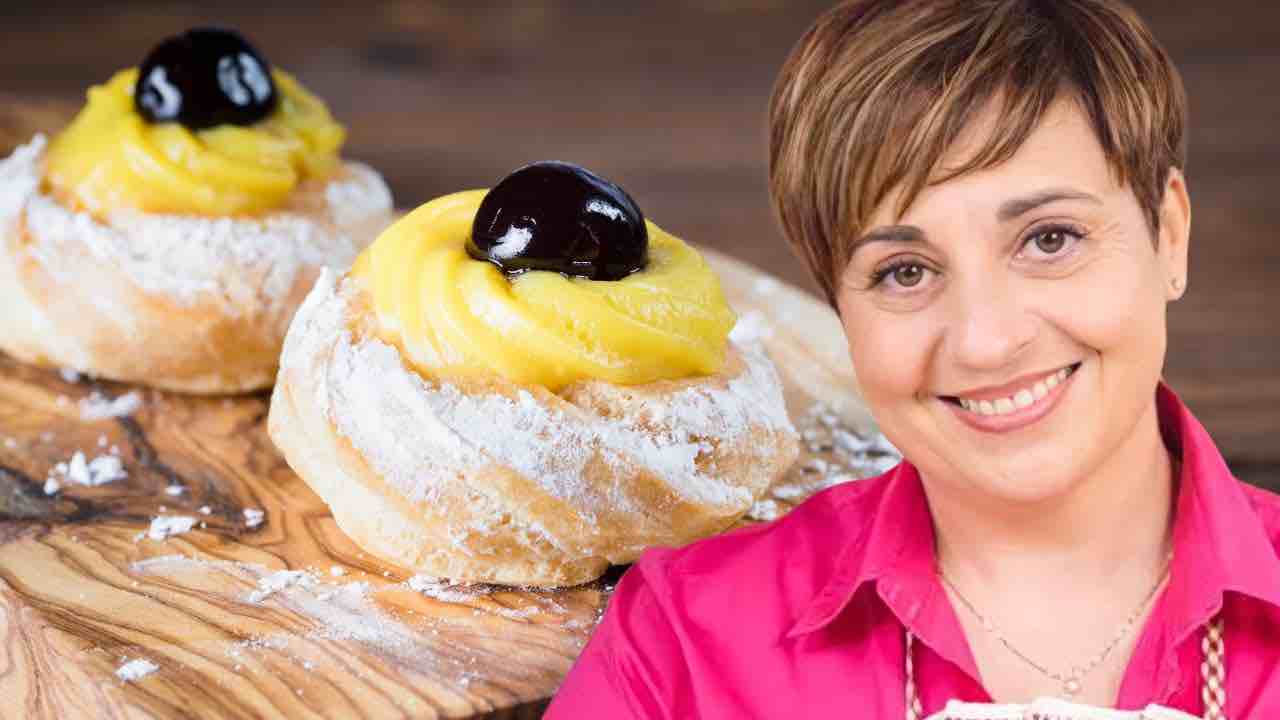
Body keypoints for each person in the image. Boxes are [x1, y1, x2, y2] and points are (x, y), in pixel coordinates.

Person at [545, 1, 1280, 717]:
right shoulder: (685, 645)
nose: (985, 340)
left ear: (1170, 235)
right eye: (905, 271)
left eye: (1050, 239)